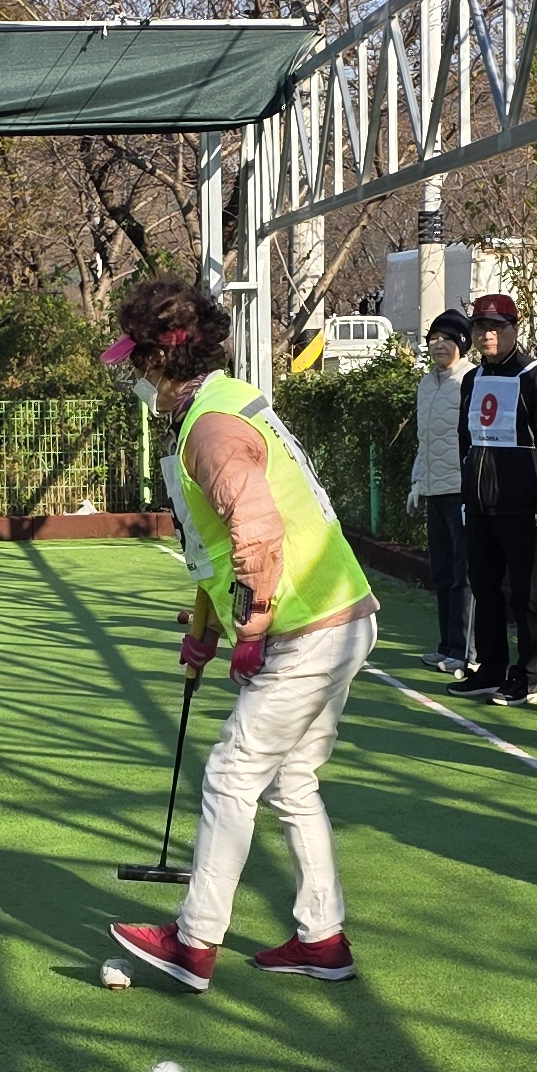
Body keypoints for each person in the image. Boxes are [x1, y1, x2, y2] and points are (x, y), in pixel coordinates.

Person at [106, 274, 380, 990]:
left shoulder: (212, 429)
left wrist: (249, 631)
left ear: (161, 358)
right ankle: (322, 939)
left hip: (307, 627)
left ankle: (193, 942)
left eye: (137, 360)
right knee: (291, 781)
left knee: (232, 773)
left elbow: (256, 533)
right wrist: (206, 627)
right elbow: (215, 546)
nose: (134, 375)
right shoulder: (221, 403)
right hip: (337, 615)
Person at [454, 291, 537, 709]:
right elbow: (465, 439)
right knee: (484, 587)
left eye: (496, 327)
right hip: (480, 504)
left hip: (521, 505)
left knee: (526, 593)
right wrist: (467, 493)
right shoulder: (472, 379)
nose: (487, 335)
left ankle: (528, 676)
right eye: (481, 327)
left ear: (514, 330)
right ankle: (491, 668)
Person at [408, 308, 474, 676]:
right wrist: (418, 483)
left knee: (465, 575)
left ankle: (466, 650)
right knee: (443, 572)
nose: (438, 345)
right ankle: (447, 645)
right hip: (434, 490)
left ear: (462, 343)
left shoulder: (471, 380)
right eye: (433, 338)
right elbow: (425, 440)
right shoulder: (425, 384)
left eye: (446, 339)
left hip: (462, 492)